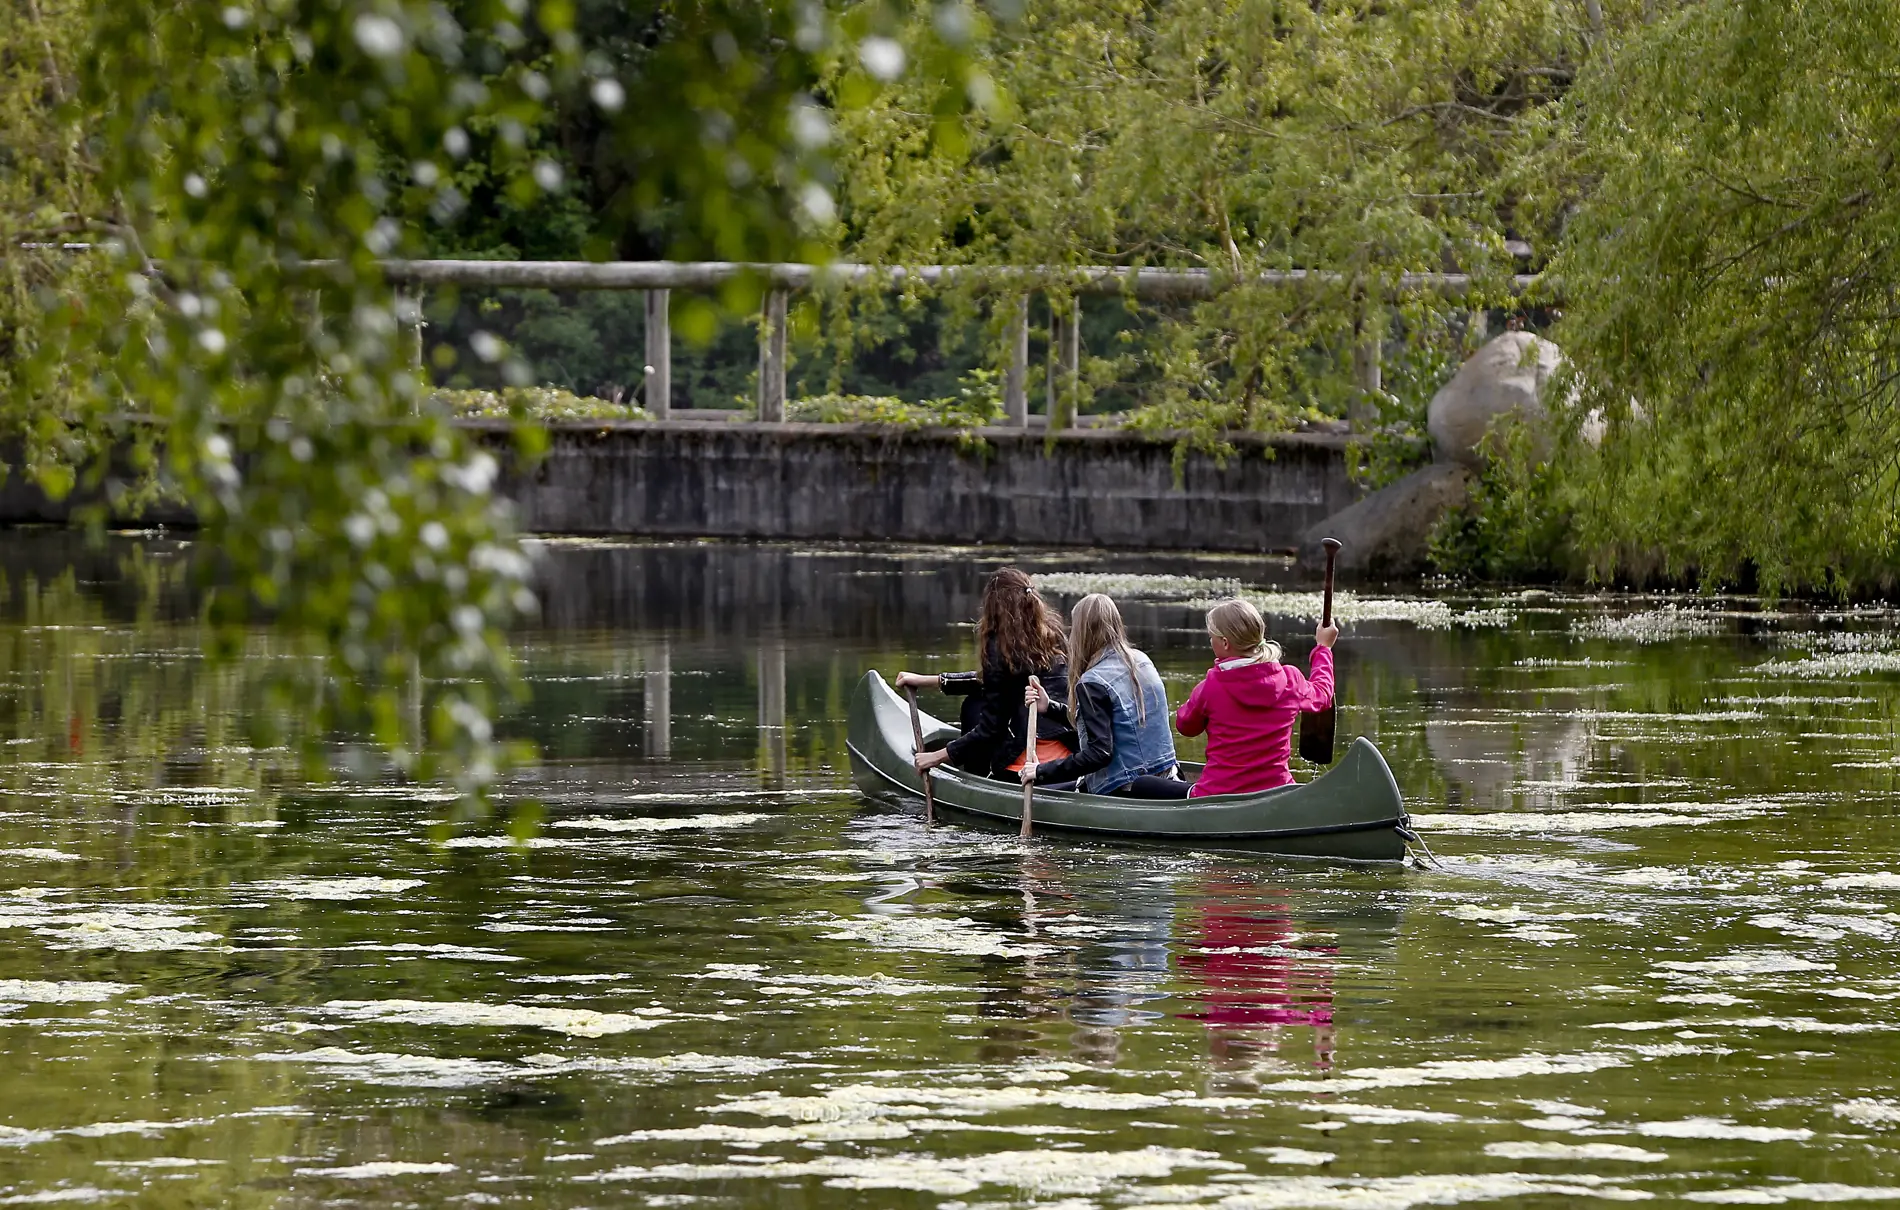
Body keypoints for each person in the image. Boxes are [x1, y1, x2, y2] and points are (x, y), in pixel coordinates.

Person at [893, 567, 1077, 780]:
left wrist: (938, 756)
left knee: (974, 706)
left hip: (1024, 763)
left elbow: (992, 728)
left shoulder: (999, 645)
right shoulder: (1053, 632)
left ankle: (976, 780)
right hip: (1070, 753)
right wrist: (933, 681)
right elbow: (997, 684)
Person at [1021, 593, 1188, 799]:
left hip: (1124, 786)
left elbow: (1098, 754)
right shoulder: (1142, 661)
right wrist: (1050, 707)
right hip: (1167, 776)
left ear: (1083, 632)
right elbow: (1112, 724)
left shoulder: (1093, 681)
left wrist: (1041, 771)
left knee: (1039, 796)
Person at [1174, 597, 1337, 797]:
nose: (1210, 641)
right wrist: (1324, 648)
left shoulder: (1211, 686)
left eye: (1212, 636)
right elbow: (1323, 694)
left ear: (1225, 643)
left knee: (1142, 785)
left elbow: (1185, 726)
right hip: (1278, 792)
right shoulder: (1290, 679)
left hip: (1217, 795)